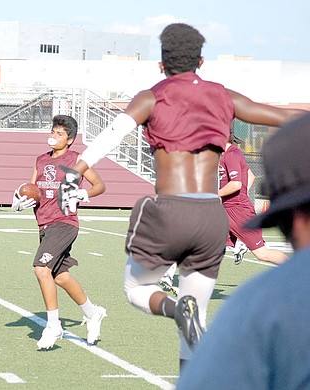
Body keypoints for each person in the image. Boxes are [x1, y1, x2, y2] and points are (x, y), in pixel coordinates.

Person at [57, 23, 306, 368]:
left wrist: (74, 172)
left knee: (137, 289)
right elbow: (284, 117)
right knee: (195, 330)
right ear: (201, 60)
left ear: (161, 64)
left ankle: (176, 309)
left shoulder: (151, 96)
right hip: (211, 218)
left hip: (171, 210)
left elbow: (110, 136)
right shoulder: (224, 95)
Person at [177, 112, 310, 389]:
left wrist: (214, 196)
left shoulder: (261, 304)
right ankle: (232, 246)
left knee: (260, 253)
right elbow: (247, 177)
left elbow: (239, 182)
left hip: (235, 211)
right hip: (230, 210)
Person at [11, 114, 107, 350]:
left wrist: (83, 194)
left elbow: (100, 185)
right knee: (60, 276)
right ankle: (92, 313)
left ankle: (53, 326)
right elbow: (33, 190)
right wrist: (20, 201)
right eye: (53, 131)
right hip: (44, 224)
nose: (54, 136)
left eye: (60, 133)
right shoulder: (40, 160)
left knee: (41, 269)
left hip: (64, 222)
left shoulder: (77, 160)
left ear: (70, 139)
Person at [219, 130, 288, 265]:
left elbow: (236, 184)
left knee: (262, 254)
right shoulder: (225, 155)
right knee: (206, 245)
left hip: (238, 212)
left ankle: (299, 271)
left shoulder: (231, 155)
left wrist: (216, 194)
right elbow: (250, 175)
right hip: (228, 210)